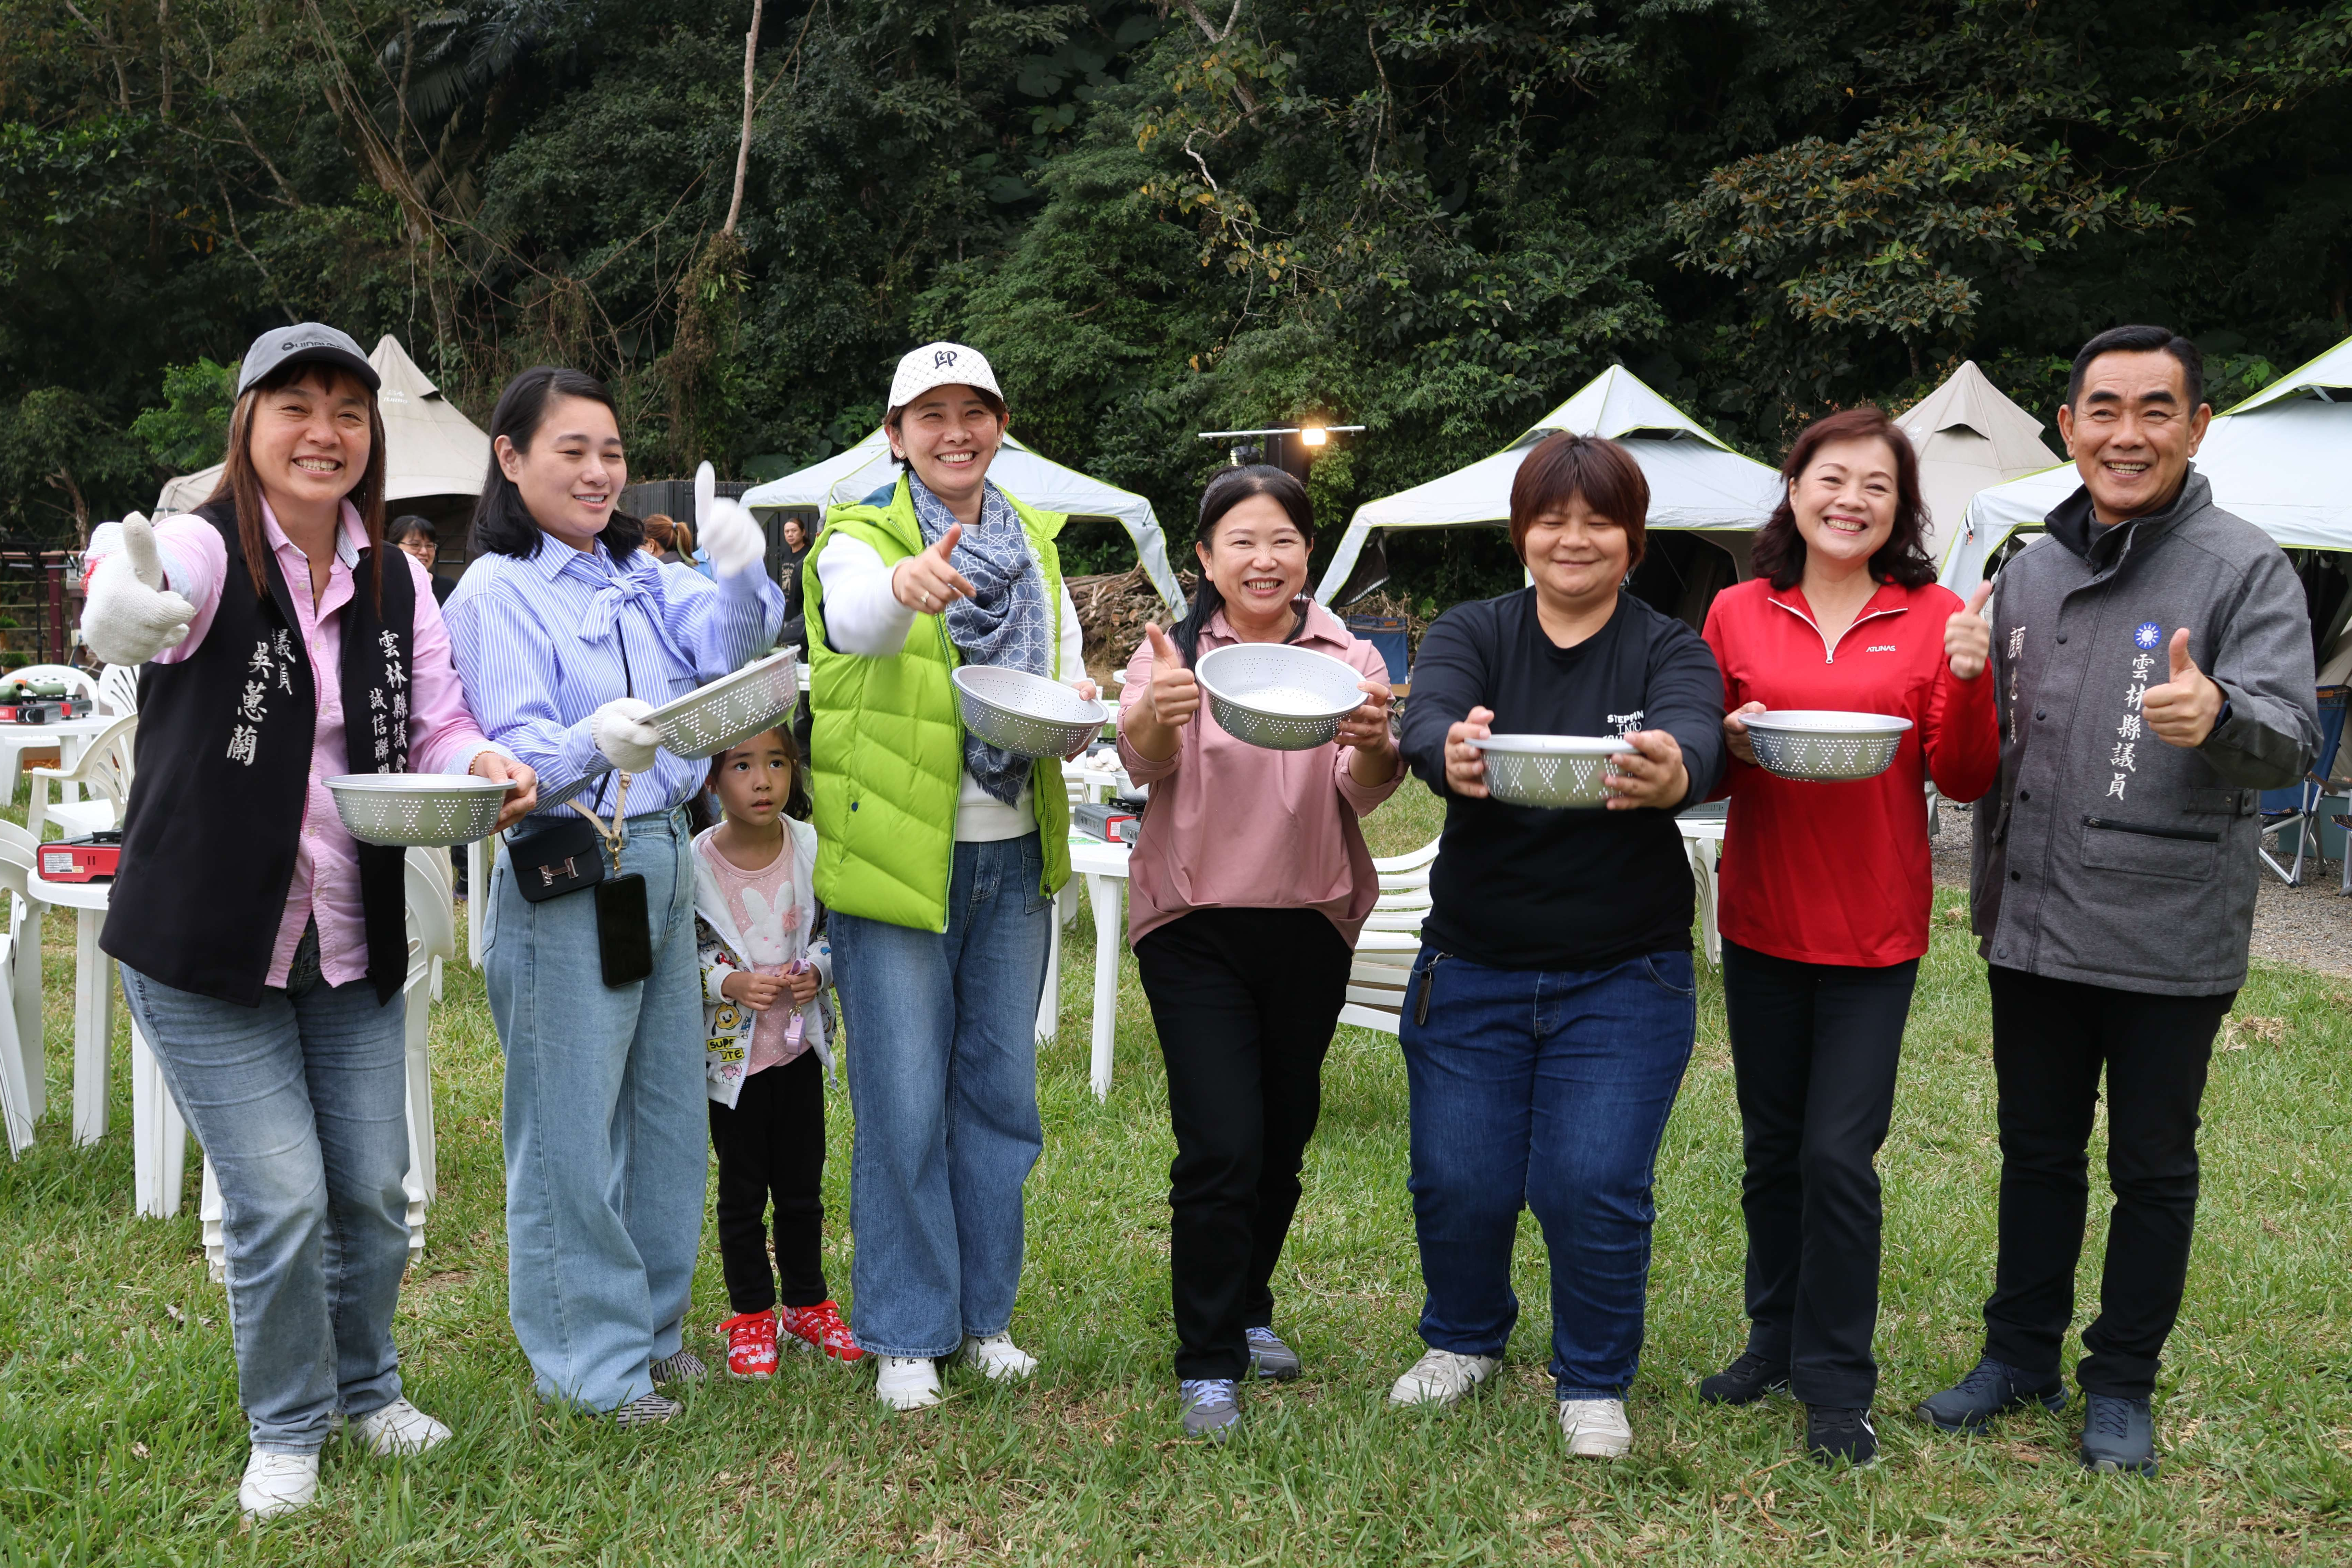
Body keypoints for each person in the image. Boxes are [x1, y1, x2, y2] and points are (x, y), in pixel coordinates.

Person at [77, 322, 538, 1521]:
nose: (325, 430)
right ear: (248, 425)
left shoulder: (397, 576)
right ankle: (287, 1421)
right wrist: (117, 600)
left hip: (349, 935)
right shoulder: (213, 546)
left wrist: (481, 754)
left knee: (374, 1187)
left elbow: (435, 726)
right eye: (297, 406)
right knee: (279, 1193)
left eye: (348, 408)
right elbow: (140, 576)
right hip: (204, 939)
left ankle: (367, 1387)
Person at [1919, 326, 2318, 1475]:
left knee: (2150, 1164)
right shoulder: (2028, 566)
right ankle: (2014, 1353)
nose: (2124, 432)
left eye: (2154, 408)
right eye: (2101, 409)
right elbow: (1988, 744)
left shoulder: (2243, 567)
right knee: (2033, 1151)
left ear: (2196, 428)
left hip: (2164, 927)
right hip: (2031, 918)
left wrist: (2219, 718)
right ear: (2066, 428)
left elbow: (2287, 740)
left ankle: (2120, 1380)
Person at [444, 365, 783, 1429]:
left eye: (613, 452)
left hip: (664, 851)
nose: (599, 472)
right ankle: (588, 1363)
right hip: (568, 856)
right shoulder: (497, 590)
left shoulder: (637, 569)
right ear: (510, 457)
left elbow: (728, 656)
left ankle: (650, 1331)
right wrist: (597, 744)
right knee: (569, 1127)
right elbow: (516, 752)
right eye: (572, 450)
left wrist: (738, 569)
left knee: (667, 1111)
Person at [1389, 432, 1727, 1460]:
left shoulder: (1667, 645)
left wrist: (1673, 772)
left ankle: (1592, 1376)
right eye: (1552, 517)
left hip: (1627, 969)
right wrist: (1442, 746)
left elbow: (1696, 738)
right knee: (1459, 1176)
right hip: (1474, 959)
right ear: (1521, 532)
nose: (1573, 538)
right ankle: (1463, 1335)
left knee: (1592, 1181)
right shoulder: (1473, 630)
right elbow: (1430, 717)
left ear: (1632, 540)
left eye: (1599, 520)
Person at [1695, 405, 2001, 1466]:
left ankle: (1836, 1381)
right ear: (1793, 489)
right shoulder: (1737, 611)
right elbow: (1709, 765)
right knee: (1771, 1149)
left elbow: (1961, 776)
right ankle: (1770, 1337)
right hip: (1764, 913)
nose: (1850, 499)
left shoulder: (1934, 613)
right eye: (1831, 477)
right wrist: (1723, 741)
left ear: (1900, 508)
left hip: (1875, 925)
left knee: (1838, 1155)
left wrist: (1968, 677)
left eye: (1876, 484)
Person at [804, 340, 1095, 1410]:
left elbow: (1055, 675)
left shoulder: (1035, 543)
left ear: (1000, 425)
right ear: (894, 434)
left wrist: (1082, 711)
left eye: (976, 410)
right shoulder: (857, 533)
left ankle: (985, 1316)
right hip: (895, 862)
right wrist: (907, 583)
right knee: (901, 1099)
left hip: (1014, 851)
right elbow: (855, 621)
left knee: (999, 1095)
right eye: (931, 413)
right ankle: (906, 1329)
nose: (955, 430)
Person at [1116, 465, 1402, 1439]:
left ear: (1306, 552)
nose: (1262, 558)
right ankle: (1207, 1362)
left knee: (1281, 1138)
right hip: (1192, 921)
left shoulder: (1345, 655)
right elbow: (1140, 763)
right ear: (1203, 558)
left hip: (1309, 918)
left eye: (1280, 538)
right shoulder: (1174, 652)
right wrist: (1160, 704)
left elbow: (1364, 790)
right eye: (1239, 540)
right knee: (1221, 1141)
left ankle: (1247, 1302)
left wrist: (1372, 737)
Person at [693, 725, 861, 1374]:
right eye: (741, 765)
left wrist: (816, 969)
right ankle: (751, 1312)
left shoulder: (810, 848)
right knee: (740, 1195)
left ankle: (807, 1302)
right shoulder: (697, 862)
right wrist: (728, 982)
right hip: (732, 1069)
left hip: (796, 1056)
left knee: (801, 1188)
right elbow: (683, 951)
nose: (762, 780)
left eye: (775, 762)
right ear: (711, 780)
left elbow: (835, 930)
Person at [387, 514, 454, 603]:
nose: (424, 552)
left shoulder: (448, 587)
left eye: (430, 546)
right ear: (394, 546)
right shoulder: (381, 585)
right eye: (415, 545)